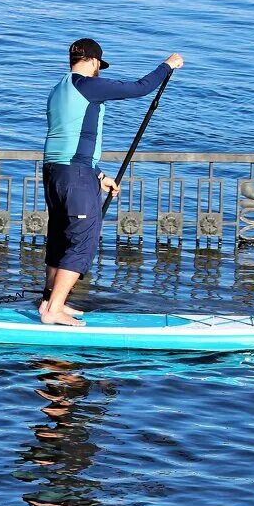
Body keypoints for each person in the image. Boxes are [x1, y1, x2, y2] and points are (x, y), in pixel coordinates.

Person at [39, 38, 185, 326]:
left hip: (55, 172)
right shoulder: (87, 84)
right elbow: (140, 88)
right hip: (75, 175)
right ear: (93, 61)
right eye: (99, 67)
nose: (99, 72)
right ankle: (53, 309)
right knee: (83, 238)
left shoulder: (59, 89)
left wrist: (99, 176)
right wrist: (167, 66)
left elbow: (69, 138)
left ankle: (49, 301)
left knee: (60, 237)